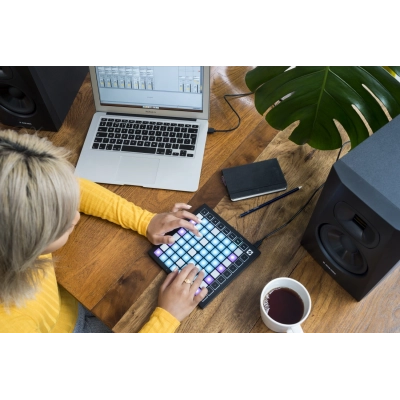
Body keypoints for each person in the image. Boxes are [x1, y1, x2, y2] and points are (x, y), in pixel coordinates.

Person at [0, 129, 207, 334]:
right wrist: (167, 317)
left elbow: (73, 189)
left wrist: (145, 220)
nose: (76, 215)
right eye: (62, 221)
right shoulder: (11, 327)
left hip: (67, 304)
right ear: (25, 243)